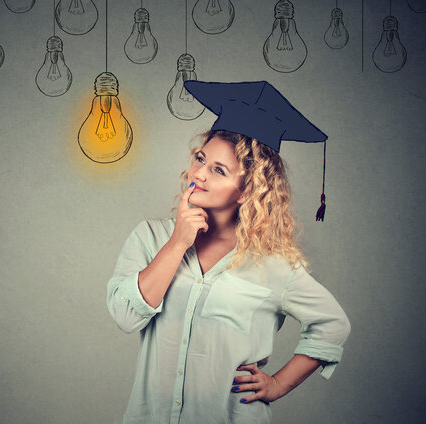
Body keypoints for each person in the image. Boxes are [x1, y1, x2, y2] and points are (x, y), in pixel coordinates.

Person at [106, 80, 351, 424]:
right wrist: (177, 243)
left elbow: (333, 324)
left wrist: (278, 383)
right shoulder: (150, 237)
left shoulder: (273, 266)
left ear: (246, 190)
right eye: (200, 159)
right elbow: (126, 316)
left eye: (218, 170)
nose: (198, 174)